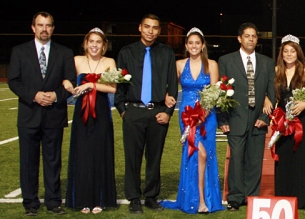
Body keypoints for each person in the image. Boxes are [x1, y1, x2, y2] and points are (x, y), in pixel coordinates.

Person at [8, 11, 76, 216]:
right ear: (33, 27)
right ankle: (30, 203)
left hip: (54, 114)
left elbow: (70, 82)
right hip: (29, 114)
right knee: (28, 161)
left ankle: (53, 201)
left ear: (53, 28)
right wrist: (34, 95)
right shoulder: (20, 51)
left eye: (48, 25)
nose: (44, 29)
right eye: (40, 25)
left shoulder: (64, 52)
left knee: (53, 160)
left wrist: (55, 95)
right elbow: (14, 81)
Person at [114, 14, 178, 214]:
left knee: (154, 157)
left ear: (159, 31)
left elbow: (173, 85)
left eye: (155, 28)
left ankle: (151, 196)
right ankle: (133, 198)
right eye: (147, 27)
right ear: (140, 28)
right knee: (132, 158)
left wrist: (168, 112)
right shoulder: (127, 52)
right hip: (134, 111)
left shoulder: (167, 53)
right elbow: (120, 84)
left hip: (158, 112)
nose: (151, 31)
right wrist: (124, 111)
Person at [159, 27, 225, 214]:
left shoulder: (211, 64)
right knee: (196, 153)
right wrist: (166, 95)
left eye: (198, 43)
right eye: (191, 43)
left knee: (206, 154)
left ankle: (205, 200)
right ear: (186, 46)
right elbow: (167, 85)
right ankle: (198, 200)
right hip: (187, 114)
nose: (194, 46)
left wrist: (204, 113)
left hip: (206, 115)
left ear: (203, 45)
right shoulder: (179, 64)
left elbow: (214, 92)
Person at [217, 22, 275, 211]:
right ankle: (235, 197)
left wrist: (265, 118)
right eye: (247, 36)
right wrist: (222, 119)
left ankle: (251, 197)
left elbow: (271, 92)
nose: (251, 39)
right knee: (236, 160)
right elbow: (221, 91)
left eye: (254, 36)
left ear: (257, 39)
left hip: (258, 118)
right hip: (236, 118)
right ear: (239, 38)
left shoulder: (267, 62)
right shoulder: (226, 61)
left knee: (254, 161)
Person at [65, 27, 117, 214]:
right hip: (81, 113)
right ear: (86, 43)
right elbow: (66, 80)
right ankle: (82, 199)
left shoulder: (109, 61)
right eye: (91, 41)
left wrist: (91, 84)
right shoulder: (77, 61)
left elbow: (113, 88)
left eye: (98, 42)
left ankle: (100, 199)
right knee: (83, 154)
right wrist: (69, 86)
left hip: (101, 112)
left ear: (104, 45)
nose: (94, 45)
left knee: (99, 153)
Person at [272, 34, 305, 210]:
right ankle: (284, 196)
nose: (289, 54)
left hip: (302, 121)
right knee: (283, 158)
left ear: (298, 52)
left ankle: (304, 197)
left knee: (301, 158)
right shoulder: (276, 71)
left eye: (292, 51)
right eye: (286, 51)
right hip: (282, 123)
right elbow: (273, 97)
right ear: (282, 53)